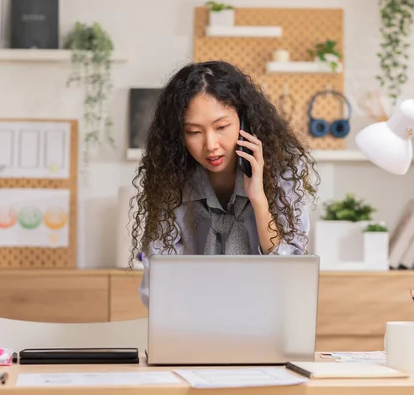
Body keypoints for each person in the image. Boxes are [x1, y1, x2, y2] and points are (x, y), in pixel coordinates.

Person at [129, 60, 319, 307]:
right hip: (192, 321)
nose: (210, 144)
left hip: (271, 318)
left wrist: (259, 200)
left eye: (222, 127)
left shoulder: (283, 168)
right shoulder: (170, 176)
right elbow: (157, 284)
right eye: (194, 132)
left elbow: (291, 270)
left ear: (245, 122)